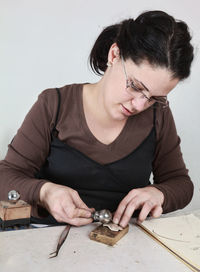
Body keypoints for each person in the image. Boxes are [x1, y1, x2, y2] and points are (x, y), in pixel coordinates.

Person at [0, 10, 194, 228]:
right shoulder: (54, 105)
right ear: (114, 55)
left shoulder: (158, 115)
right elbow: (6, 176)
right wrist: (44, 192)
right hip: (46, 239)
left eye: (154, 98)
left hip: (126, 247)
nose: (140, 105)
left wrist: (159, 193)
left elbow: (181, 184)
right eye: (136, 86)